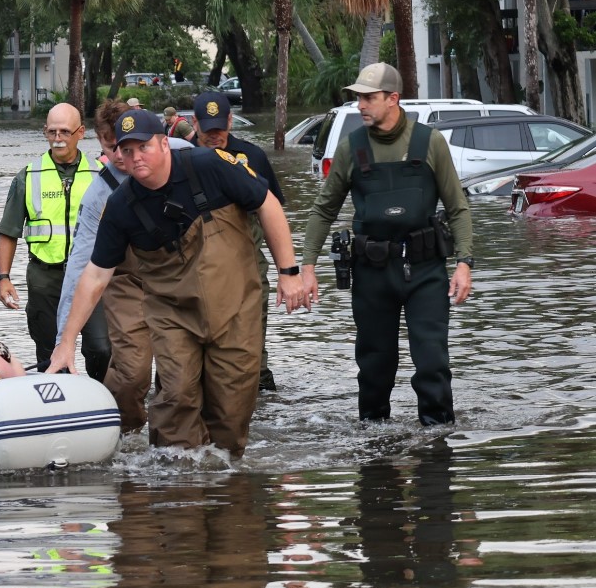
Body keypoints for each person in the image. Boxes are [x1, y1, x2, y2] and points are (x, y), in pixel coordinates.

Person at [49, 108, 307, 457]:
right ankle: (175, 491)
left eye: (144, 147)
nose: (135, 158)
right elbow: (93, 274)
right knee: (176, 398)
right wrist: (65, 342)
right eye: (126, 150)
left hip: (234, 306)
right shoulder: (119, 206)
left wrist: (288, 272)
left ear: (165, 144)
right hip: (172, 314)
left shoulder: (210, 165)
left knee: (231, 411)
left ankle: (225, 486)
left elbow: (267, 203)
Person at [301, 62, 473, 426]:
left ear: (393, 99)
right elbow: (322, 210)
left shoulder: (430, 143)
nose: (360, 105)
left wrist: (464, 263)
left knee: (432, 362)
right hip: (372, 274)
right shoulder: (351, 148)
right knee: (375, 365)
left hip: (426, 272)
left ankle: (438, 441)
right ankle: (374, 443)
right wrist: (307, 266)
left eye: (368, 97)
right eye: (358, 97)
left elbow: (457, 207)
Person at [55, 99, 156, 433]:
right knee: (130, 374)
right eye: (111, 147)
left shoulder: (176, 161)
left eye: (128, 147)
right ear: (99, 140)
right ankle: (120, 432)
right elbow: (79, 269)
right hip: (127, 284)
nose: (121, 157)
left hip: (177, 279)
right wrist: (63, 341)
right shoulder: (98, 195)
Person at [0, 103, 111, 379]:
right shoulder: (28, 176)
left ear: (81, 133)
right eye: (52, 131)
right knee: (49, 354)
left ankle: (97, 394)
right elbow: (8, 232)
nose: (58, 138)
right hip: (44, 279)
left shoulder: (101, 175)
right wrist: (3, 278)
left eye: (65, 131)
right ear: (45, 132)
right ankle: (59, 405)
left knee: (101, 348)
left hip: (90, 276)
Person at [192, 91, 286, 392]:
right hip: (196, 263)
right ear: (194, 124)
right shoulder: (179, 158)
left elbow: (275, 213)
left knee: (252, 329)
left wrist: (288, 271)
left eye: (220, 129)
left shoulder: (252, 156)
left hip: (247, 260)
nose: (215, 136)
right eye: (208, 130)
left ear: (231, 121)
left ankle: (259, 386)